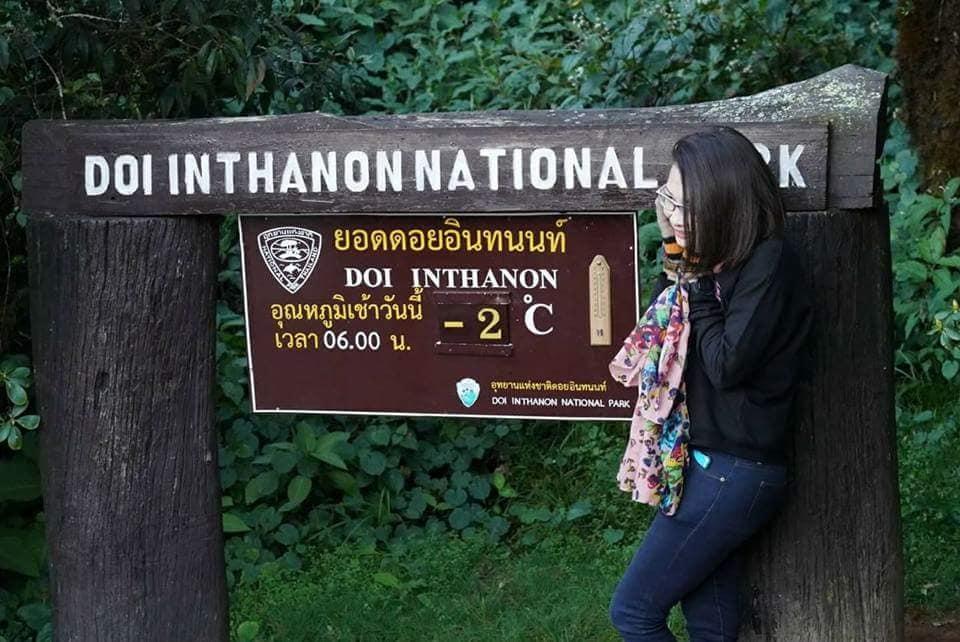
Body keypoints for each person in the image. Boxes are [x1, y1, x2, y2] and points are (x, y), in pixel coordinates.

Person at [608, 125, 814, 642]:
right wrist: (679, 256)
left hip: (733, 471)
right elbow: (664, 334)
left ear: (724, 200)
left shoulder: (768, 263)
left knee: (633, 613)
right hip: (706, 466)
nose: (675, 216)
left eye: (687, 204)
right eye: (670, 200)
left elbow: (725, 365)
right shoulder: (712, 263)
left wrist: (697, 281)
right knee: (711, 623)